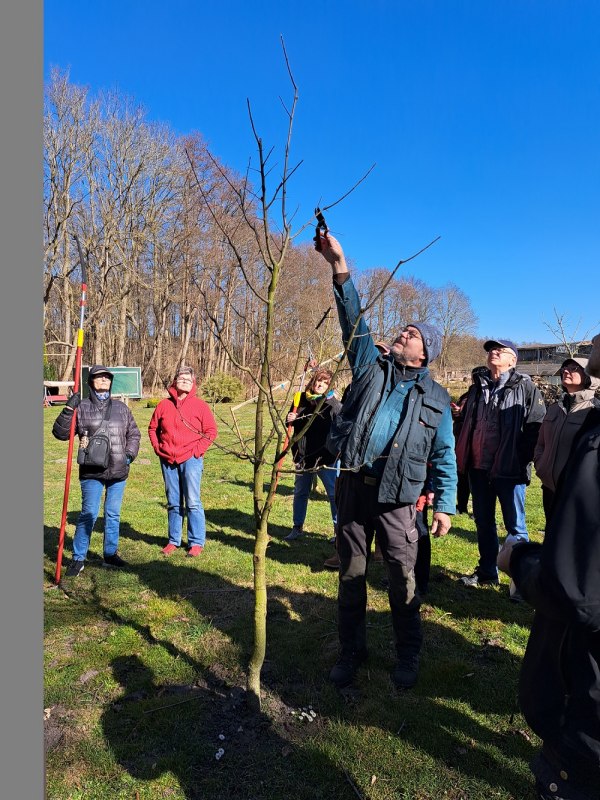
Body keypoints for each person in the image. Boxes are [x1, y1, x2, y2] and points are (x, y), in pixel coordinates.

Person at [315, 231, 457, 690]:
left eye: (413, 334)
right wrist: (340, 265)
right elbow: (353, 321)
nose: (403, 332)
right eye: (404, 329)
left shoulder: (436, 397)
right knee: (352, 577)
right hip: (355, 489)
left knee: (404, 582)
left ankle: (408, 654)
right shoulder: (370, 368)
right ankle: (351, 651)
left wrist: (446, 504)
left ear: (425, 353)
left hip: (399, 502)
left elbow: (444, 455)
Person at [497, 334, 600, 800]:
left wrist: (519, 560)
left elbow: (574, 588)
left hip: (586, 727)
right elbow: (543, 439)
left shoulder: (592, 426)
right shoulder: (565, 411)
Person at [455, 339, 546, 591]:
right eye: (491, 350)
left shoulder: (526, 387)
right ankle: (487, 572)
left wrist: (519, 458)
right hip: (478, 467)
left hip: (509, 469)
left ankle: (521, 582)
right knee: (483, 522)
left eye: (500, 350)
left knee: (516, 527)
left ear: (513, 360)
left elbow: (536, 426)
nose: (493, 352)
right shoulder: (477, 386)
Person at [52, 365, 141, 576]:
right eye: (99, 378)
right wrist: (68, 409)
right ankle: (78, 558)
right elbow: (60, 434)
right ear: (91, 381)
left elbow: (134, 434)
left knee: (113, 513)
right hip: (91, 471)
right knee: (89, 513)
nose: (104, 381)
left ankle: (110, 554)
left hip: (118, 471)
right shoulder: (81, 407)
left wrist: (128, 456)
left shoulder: (121, 408)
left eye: (107, 378)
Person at [148, 365, 217, 557]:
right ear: (174, 382)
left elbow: (211, 432)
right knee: (173, 502)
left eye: (188, 379)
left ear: (193, 383)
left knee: (193, 501)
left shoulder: (200, 406)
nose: (184, 381)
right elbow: (152, 428)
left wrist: (197, 451)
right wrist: (158, 448)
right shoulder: (163, 405)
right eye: (181, 378)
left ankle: (196, 542)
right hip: (168, 458)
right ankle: (173, 540)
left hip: (191, 459)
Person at [533, 357, 600, 523]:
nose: (566, 371)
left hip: (578, 491)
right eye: (564, 368)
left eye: (574, 368)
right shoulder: (555, 408)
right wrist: (540, 464)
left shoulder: (595, 411)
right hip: (549, 487)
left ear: (589, 377)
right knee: (551, 533)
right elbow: (541, 442)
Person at [284, 367, 341, 542]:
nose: (320, 385)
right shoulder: (300, 398)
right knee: (301, 492)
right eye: (318, 380)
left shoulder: (334, 405)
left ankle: (338, 531)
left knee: (333, 494)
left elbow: (341, 431)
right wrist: (290, 417)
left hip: (326, 457)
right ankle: (297, 527)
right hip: (302, 455)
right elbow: (292, 421)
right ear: (312, 381)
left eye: (325, 382)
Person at [451, 366, 487, 514]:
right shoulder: (467, 395)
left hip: (480, 443)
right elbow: (458, 417)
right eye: (474, 375)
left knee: (478, 479)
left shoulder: (488, 395)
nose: (476, 378)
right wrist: (457, 412)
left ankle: (478, 509)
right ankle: (462, 506)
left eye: (480, 375)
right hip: (462, 442)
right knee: (462, 476)